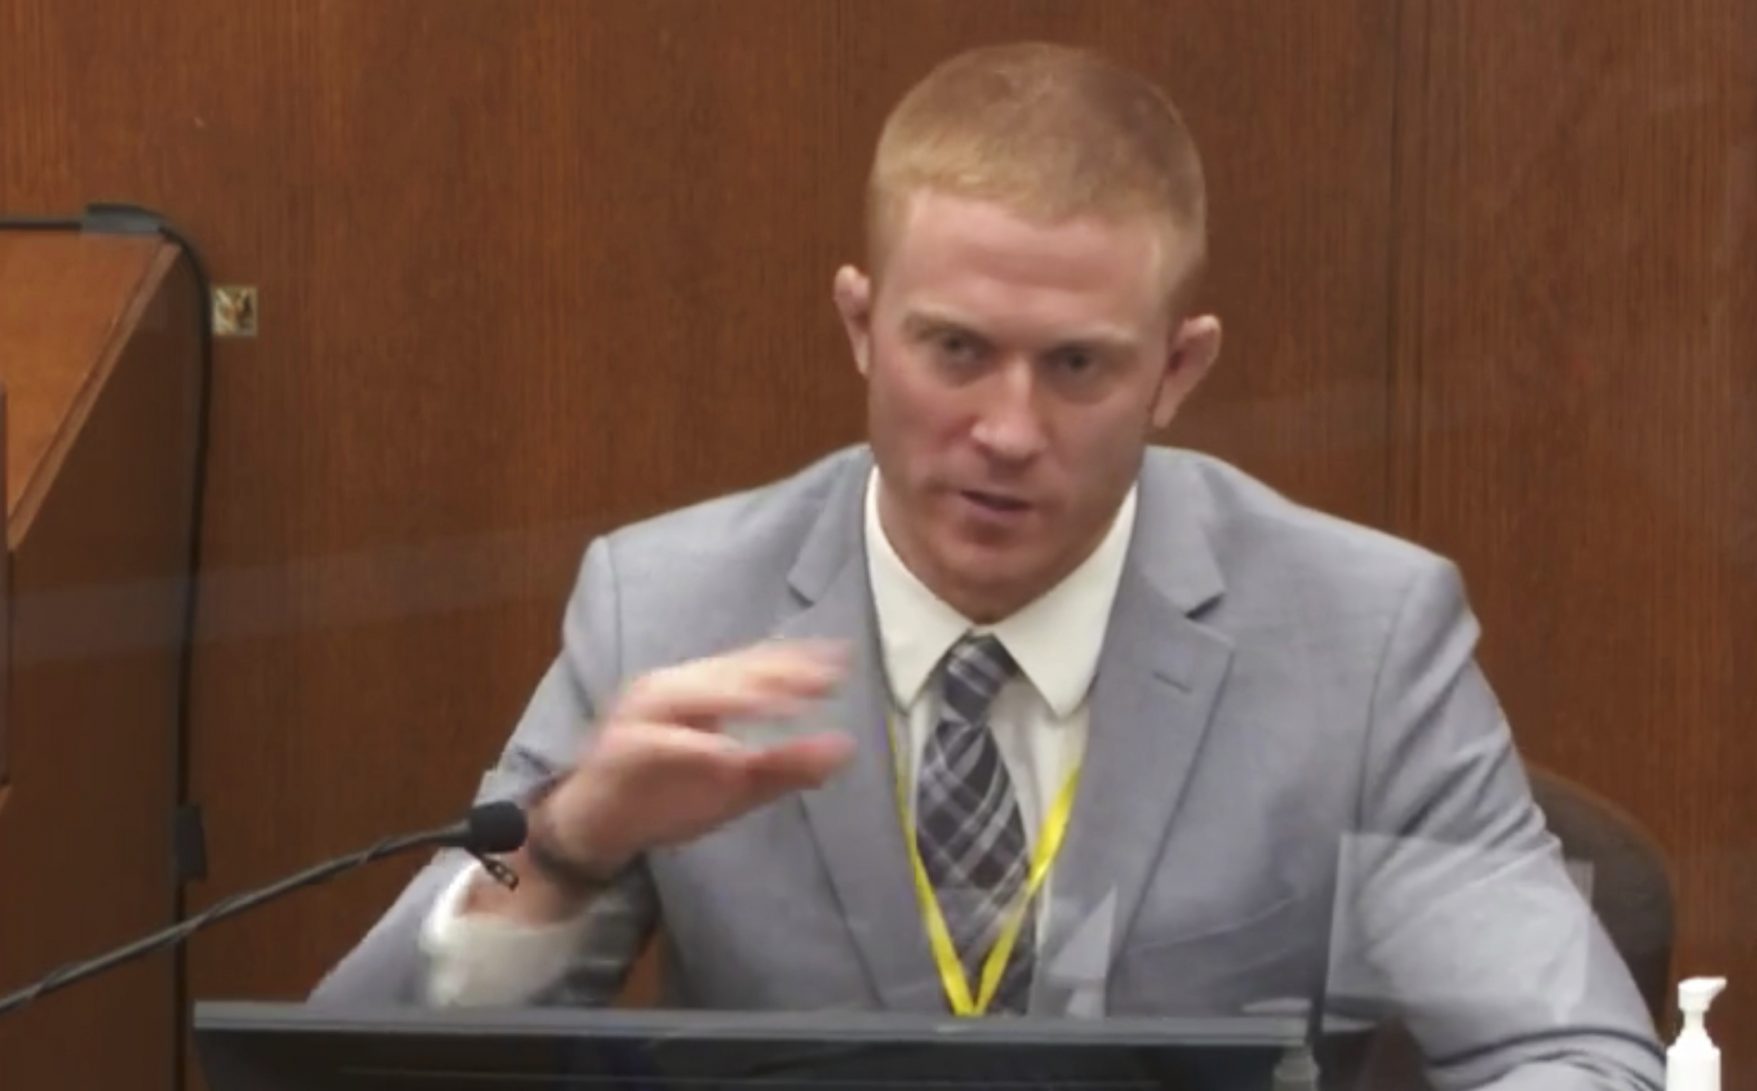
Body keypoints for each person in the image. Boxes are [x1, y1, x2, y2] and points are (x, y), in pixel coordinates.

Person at [314, 41, 1663, 1090]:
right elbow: (362, 1066)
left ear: (1177, 369)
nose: (1008, 432)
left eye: (1077, 365)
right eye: (954, 350)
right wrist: (564, 847)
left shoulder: (1361, 642)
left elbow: (1571, 1053)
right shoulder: (667, 605)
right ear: (862, 326)